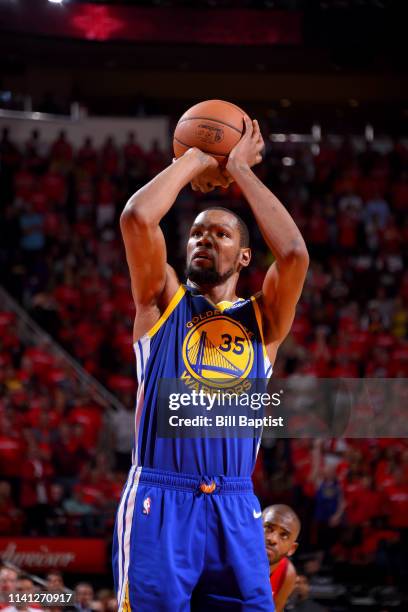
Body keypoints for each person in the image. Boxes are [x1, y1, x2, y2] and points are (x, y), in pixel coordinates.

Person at [113, 115, 309, 610]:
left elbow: (293, 255)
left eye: (221, 234)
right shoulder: (162, 303)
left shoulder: (262, 321)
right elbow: (137, 218)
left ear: (245, 257)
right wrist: (194, 159)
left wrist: (240, 168)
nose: (204, 239)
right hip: (162, 498)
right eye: (197, 233)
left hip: (235, 502)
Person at [263, 504, 300, 612]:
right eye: (268, 528)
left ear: (292, 549)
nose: (272, 539)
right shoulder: (231, 557)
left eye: (284, 535)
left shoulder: (287, 573)